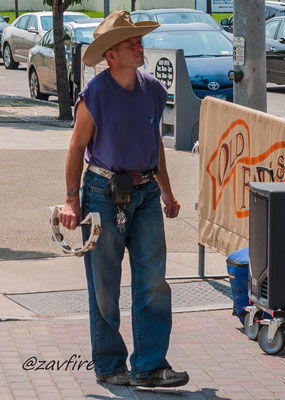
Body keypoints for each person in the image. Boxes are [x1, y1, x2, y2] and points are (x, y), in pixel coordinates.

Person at [59, 11, 189, 388]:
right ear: (111, 55)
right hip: (101, 193)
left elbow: (156, 146)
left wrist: (166, 190)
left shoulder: (153, 89)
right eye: (129, 42)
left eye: (139, 39)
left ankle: (149, 367)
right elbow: (75, 149)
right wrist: (71, 201)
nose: (139, 44)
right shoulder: (94, 95)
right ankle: (110, 364)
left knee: (153, 282)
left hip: (146, 192)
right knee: (105, 285)